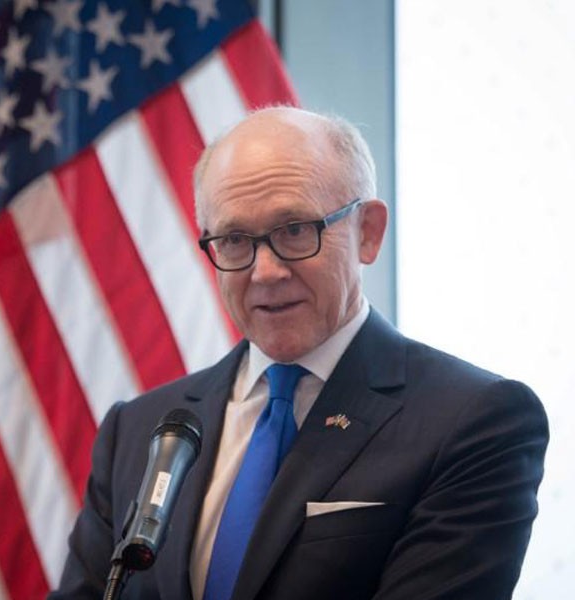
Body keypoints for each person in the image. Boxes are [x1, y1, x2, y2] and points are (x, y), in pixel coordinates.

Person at [49, 106, 548, 600]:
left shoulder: (474, 421)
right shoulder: (139, 428)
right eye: (236, 239)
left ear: (368, 232)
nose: (265, 272)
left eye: (294, 231)